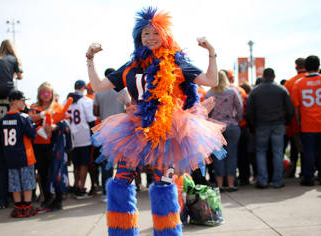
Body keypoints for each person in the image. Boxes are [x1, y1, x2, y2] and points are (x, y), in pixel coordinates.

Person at [86, 7, 226, 235]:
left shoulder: (177, 63)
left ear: (164, 36)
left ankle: (168, 232)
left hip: (168, 133)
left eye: (155, 33)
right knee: (120, 182)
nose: (150, 38)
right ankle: (121, 231)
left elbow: (210, 80)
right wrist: (90, 59)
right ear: (138, 38)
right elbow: (99, 86)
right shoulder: (131, 66)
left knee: (164, 185)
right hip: (134, 132)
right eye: (145, 34)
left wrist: (211, 52)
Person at [292, 55, 321, 186]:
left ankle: (309, 176)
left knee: (309, 152)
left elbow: (296, 107)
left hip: (308, 124)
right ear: (319, 66)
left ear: (305, 67)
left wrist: (299, 121)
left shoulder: (299, 84)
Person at [246, 68, 293, 189]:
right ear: (274, 76)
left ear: (263, 76)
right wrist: (286, 122)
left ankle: (262, 180)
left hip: (261, 125)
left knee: (260, 152)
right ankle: (278, 181)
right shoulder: (282, 89)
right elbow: (289, 109)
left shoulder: (255, 91)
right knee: (278, 153)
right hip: (278, 124)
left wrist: (253, 125)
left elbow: (249, 111)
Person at [29, 82, 72, 210]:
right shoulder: (34, 106)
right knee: (42, 173)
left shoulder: (58, 107)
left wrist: (54, 127)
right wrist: (42, 115)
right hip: (38, 144)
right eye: (43, 92)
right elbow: (30, 118)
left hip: (54, 144)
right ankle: (47, 198)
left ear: (52, 93)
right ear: (39, 94)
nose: (46, 95)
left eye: (48, 92)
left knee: (56, 172)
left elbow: (65, 123)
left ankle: (58, 200)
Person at [0, 90, 37, 218]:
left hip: (10, 156)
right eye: (22, 100)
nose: (24, 103)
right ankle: (28, 207)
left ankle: (18, 207)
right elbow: (32, 134)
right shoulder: (23, 117)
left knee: (15, 183)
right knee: (27, 182)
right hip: (25, 154)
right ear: (14, 101)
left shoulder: (3, 120)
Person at [205, 71, 243, 191]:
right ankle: (231, 184)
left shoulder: (209, 94)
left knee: (218, 156)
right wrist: (237, 119)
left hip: (216, 129)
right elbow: (240, 108)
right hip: (232, 126)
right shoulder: (232, 92)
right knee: (232, 155)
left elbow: (205, 113)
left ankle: (220, 185)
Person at [93, 68, 127, 202]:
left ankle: (106, 193)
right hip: (121, 130)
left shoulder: (99, 92)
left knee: (106, 163)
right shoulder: (122, 90)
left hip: (104, 131)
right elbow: (128, 108)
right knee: (122, 162)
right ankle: (121, 190)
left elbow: (95, 111)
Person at [66, 80, 96, 199]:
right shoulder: (86, 101)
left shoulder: (66, 101)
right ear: (83, 88)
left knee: (76, 164)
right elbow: (91, 120)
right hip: (83, 135)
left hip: (71, 137)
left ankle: (76, 185)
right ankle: (81, 188)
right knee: (84, 163)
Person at [284, 58, 307, 177]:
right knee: (309, 150)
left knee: (294, 150)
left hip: (294, 124)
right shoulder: (320, 79)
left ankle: (292, 172)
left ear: (296, 67)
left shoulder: (289, 83)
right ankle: (307, 172)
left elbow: (287, 106)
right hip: (315, 123)